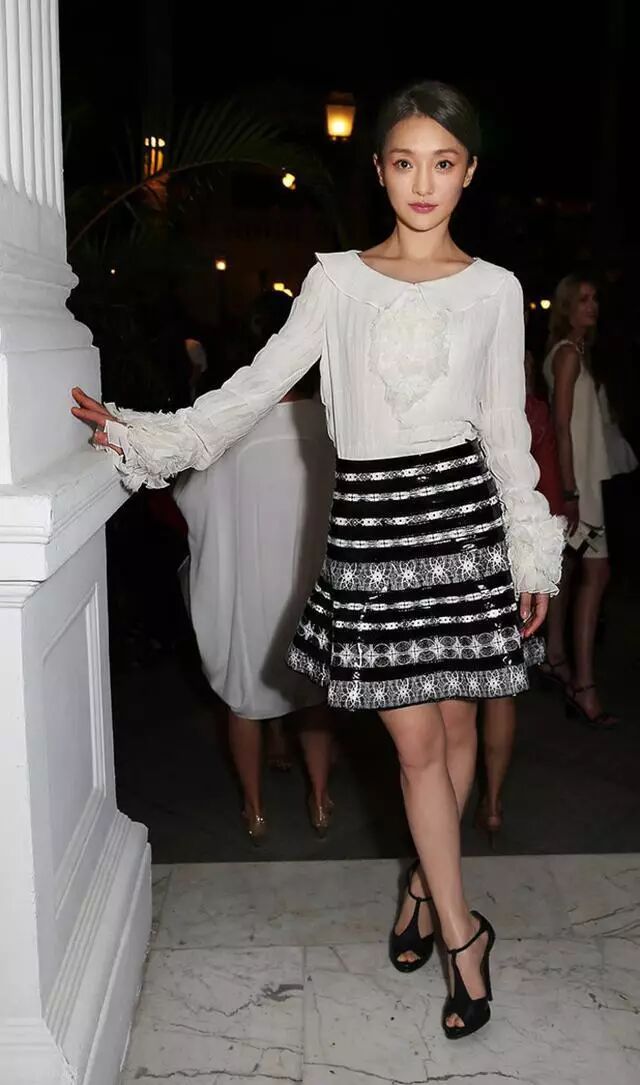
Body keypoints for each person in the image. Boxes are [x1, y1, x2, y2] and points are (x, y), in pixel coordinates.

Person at [70, 80, 563, 1040]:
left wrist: (532, 550)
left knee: (457, 727)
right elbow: (258, 387)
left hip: (464, 524)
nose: (424, 182)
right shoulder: (337, 281)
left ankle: (422, 890)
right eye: (405, 161)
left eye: (444, 163)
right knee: (416, 745)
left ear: (469, 173)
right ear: (379, 169)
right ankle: (465, 934)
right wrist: (144, 432)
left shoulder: (496, 290)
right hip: (374, 530)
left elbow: (506, 432)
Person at [174, 291, 336, 841]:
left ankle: (255, 810)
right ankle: (320, 799)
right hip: (313, 586)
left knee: (244, 701)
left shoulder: (234, 430)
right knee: (313, 699)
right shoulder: (333, 426)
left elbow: (193, 498)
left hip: (250, 588)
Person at [475, 347, 564, 844]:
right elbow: (546, 484)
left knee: (455, 691)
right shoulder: (530, 411)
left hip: (462, 550)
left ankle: (446, 807)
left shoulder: (458, 407)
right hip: (513, 550)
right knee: (502, 688)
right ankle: (491, 803)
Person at [542, 276, 616, 728]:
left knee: (568, 570)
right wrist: (569, 491)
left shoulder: (576, 353)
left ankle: (555, 657)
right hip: (579, 487)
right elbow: (561, 425)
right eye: (583, 300)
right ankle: (583, 685)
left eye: (595, 298)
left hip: (582, 482)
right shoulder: (568, 354)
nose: (593, 306)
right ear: (567, 307)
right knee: (597, 573)